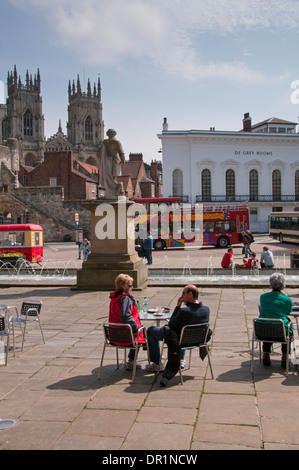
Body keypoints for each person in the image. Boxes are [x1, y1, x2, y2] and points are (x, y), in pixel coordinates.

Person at [146, 285, 210, 387]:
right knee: (181, 332)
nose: (182, 296)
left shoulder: (184, 311)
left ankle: (157, 364)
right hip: (197, 340)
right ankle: (181, 359)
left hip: (180, 341)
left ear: (190, 294)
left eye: (183, 293)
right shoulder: (206, 310)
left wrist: (178, 306)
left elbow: (171, 324)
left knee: (150, 330)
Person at [108, 274, 146, 369]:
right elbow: (125, 316)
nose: (132, 287)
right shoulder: (125, 298)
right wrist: (135, 327)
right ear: (124, 286)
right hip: (125, 336)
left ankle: (132, 360)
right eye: (130, 285)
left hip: (113, 335)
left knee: (141, 333)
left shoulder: (114, 298)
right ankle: (154, 362)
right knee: (142, 333)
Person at [258, 273, 293, 367]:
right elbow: (288, 311)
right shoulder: (286, 299)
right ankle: (285, 355)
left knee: (267, 323)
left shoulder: (263, 297)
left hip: (262, 331)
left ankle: (266, 352)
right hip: (280, 332)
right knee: (287, 327)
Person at [97, 128, 125, 198]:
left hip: (107, 161)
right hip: (115, 160)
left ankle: (111, 192)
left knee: (109, 176)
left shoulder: (104, 143)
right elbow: (121, 152)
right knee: (113, 176)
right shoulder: (117, 142)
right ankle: (116, 189)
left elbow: (99, 153)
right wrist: (123, 160)